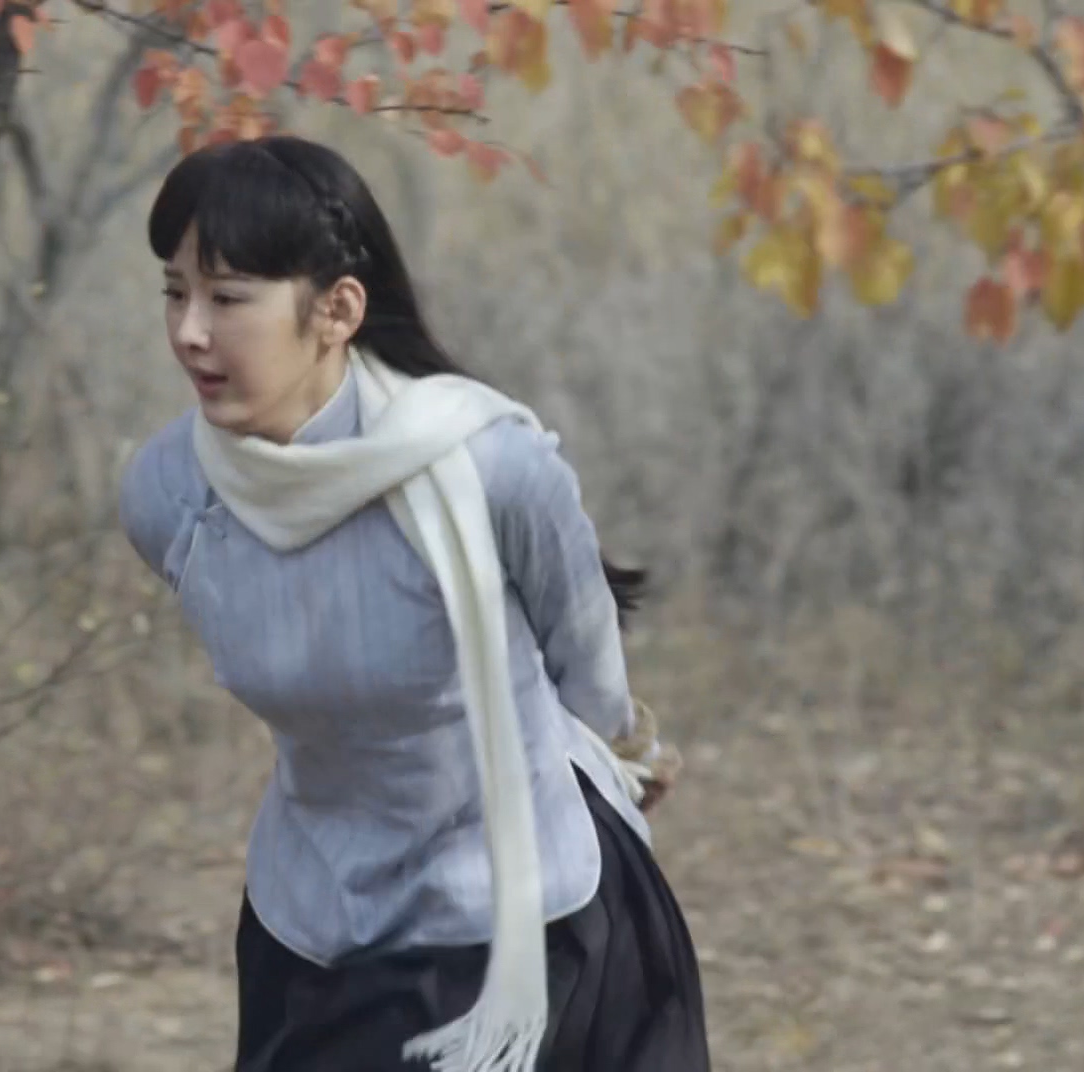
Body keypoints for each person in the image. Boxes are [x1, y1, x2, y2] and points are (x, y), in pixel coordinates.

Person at [117, 134, 708, 1072]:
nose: (190, 331)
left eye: (227, 298)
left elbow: (582, 642)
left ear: (338, 310)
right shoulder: (168, 497)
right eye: (174, 292)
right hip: (314, 920)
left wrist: (624, 754)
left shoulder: (489, 466)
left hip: (525, 914)